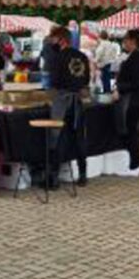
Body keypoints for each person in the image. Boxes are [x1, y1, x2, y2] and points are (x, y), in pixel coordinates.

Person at [46, 27, 90, 188]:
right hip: (78, 101)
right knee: (79, 138)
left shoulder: (57, 58)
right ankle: (83, 174)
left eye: (53, 38)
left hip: (62, 101)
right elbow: (86, 81)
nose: (51, 42)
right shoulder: (83, 57)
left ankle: (54, 178)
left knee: (57, 138)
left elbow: (54, 82)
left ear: (61, 39)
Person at [114, 29, 139, 177]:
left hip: (134, 99)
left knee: (131, 132)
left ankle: (135, 164)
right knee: (134, 131)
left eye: (125, 41)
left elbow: (135, 82)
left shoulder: (137, 57)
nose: (124, 43)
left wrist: (120, 89)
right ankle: (138, 163)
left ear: (132, 41)